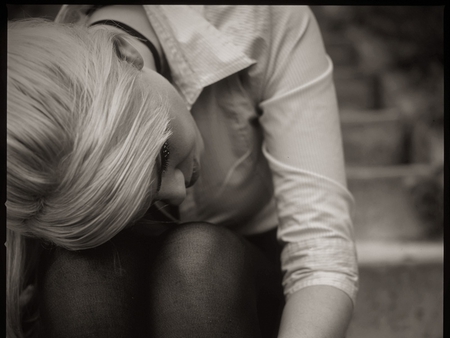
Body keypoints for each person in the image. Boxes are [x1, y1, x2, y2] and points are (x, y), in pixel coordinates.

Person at [7, 4, 359, 338]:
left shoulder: (260, 19)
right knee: (82, 274)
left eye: (160, 156)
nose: (176, 193)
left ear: (126, 53)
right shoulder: (31, 128)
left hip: (250, 286)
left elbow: (320, 256)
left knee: (197, 264)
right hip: (112, 299)